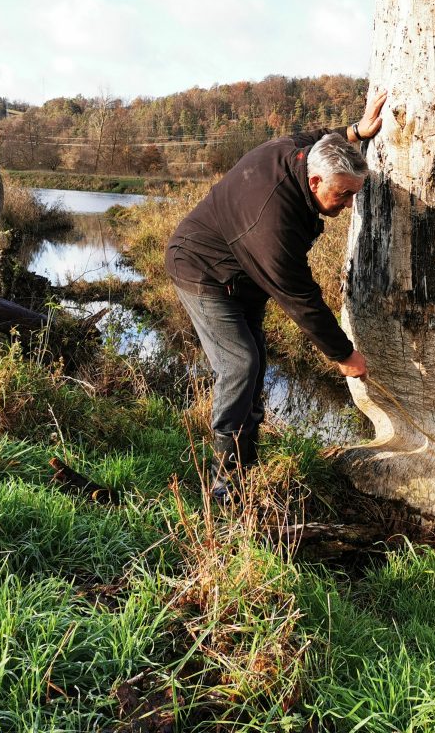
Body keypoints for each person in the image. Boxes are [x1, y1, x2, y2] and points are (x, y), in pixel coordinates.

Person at [166, 90, 388, 503]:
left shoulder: (298, 153)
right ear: (316, 181)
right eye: (343, 195)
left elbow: (317, 134)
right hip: (202, 270)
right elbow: (300, 298)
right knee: (240, 364)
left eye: (354, 195)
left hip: (242, 274)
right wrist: (343, 355)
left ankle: (245, 466)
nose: (347, 203)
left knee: (257, 365)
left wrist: (356, 131)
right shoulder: (272, 220)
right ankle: (224, 483)